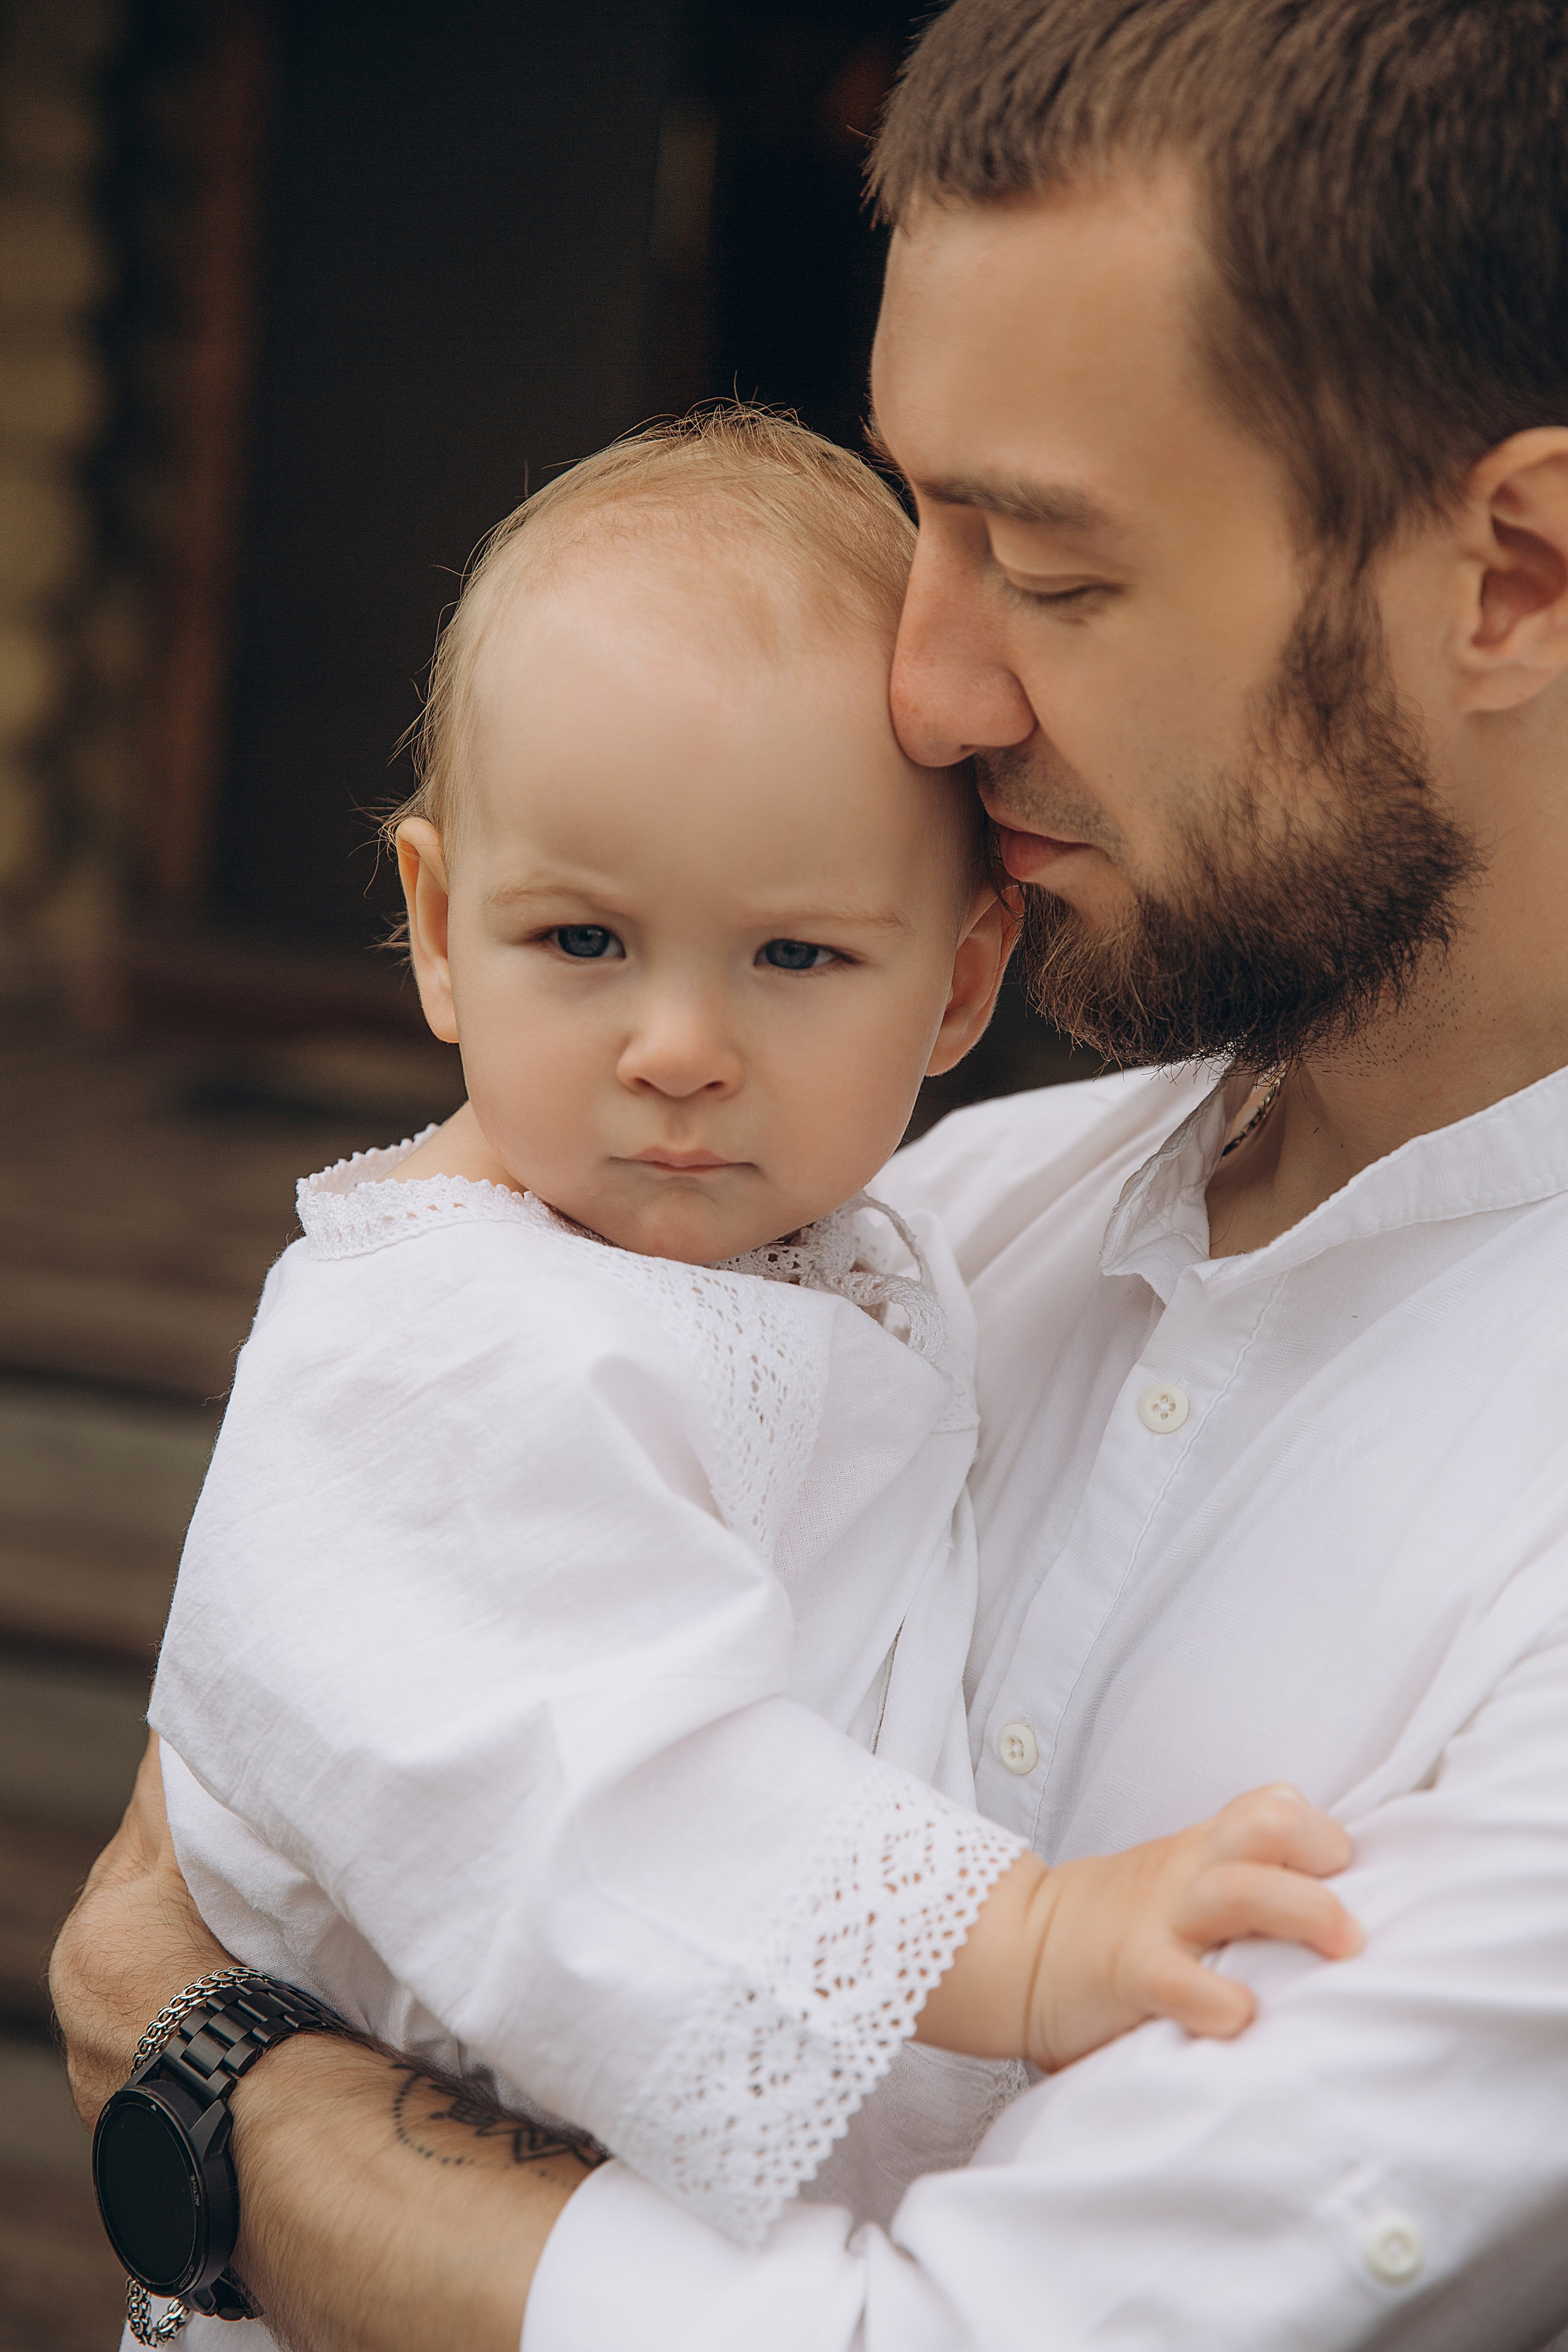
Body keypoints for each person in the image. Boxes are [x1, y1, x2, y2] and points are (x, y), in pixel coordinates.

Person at [53, 0, 1568, 2343]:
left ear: (1520, 576)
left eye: (1048, 571)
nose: (930, 688)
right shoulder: (884, 1237)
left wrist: (213, 2088)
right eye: (917, 517)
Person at [147, 406, 1355, 2337]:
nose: (682, 1046)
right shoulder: (440, 1340)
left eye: (795, 957)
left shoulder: (867, 1251)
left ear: (962, 984)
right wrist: (1031, 1942)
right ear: (441, 931)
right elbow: (599, 1785)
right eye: (585, 939)